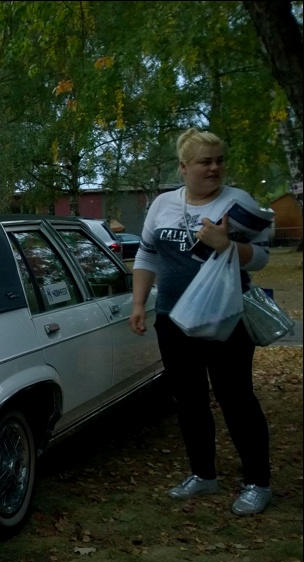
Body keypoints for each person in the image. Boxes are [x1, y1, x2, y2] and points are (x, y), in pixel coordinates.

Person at [128, 128, 274, 516]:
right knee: (189, 400)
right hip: (173, 320)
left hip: (226, 319)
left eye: (219, 161)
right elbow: (146, 255)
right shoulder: (163, 204)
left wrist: (227, 245)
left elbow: (262, 257)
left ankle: (258, 482)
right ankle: (203, 474)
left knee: (236, 398)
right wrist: (139, 303)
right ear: (184, 167)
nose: (214, 168)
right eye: (205, 162)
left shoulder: (238, 202)